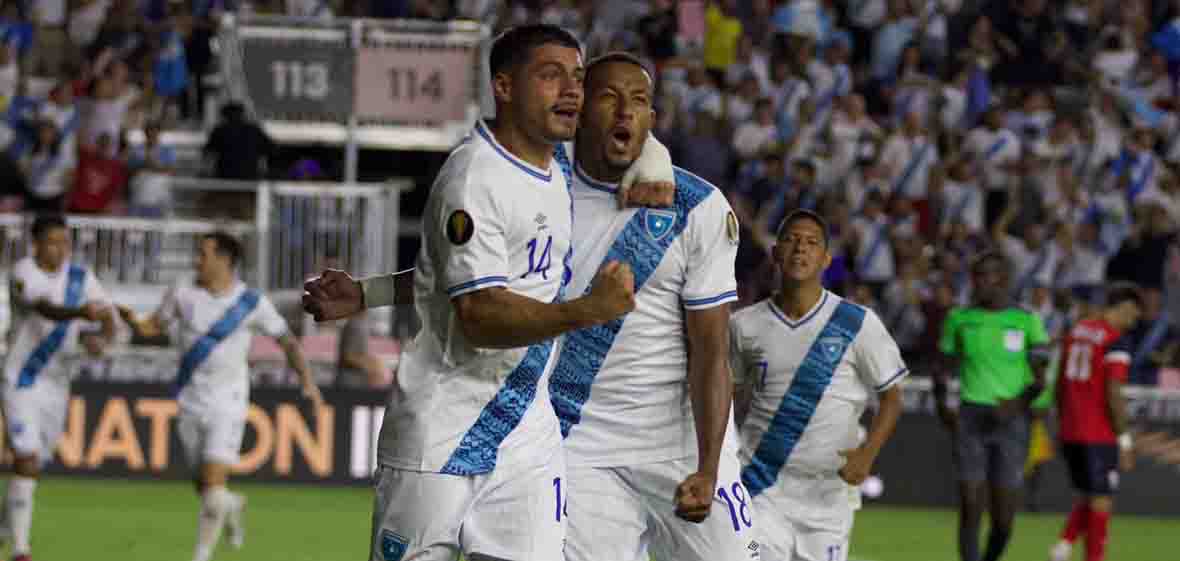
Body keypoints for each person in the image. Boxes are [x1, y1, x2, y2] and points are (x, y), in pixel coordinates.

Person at [310, 24, 641, 561]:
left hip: (526, 431)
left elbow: (442, 276)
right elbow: (479, 314)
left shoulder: (555, 165)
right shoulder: (474, 179)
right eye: (551, 76)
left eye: (578, 77)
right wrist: (586, 311)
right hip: (443, 434)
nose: (573, 91)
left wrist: (367, 293)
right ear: (505, 87)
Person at [543, 52, 750, 561]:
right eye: (610, 97)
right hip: (579, 447)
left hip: (682, 445)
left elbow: (710, 351)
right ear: (581, 108)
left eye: (638, 102)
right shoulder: (538, 191)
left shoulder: (697, 206)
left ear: (652, 121)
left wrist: (707, 466)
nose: (625, 113)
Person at [117, 232, 324, 561]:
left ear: (224, 260)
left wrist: (308, 383)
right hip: (188, 399)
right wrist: (133, 322)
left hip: (229, 401)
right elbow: (153, 327)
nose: (197, 260)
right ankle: (233, 504)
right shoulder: (182, 293)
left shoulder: (251, 302)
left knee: (212, 484)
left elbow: (287, 341)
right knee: (206, 489)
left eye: (203, 254)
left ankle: (201, 555)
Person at [731, 209, 908, 561]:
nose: (801, 249)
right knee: (748, 556)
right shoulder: (743, 325)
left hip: (828, 498)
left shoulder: (857, 323)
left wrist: (867, 454)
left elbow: (891, 397)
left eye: (812, 243)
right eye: (792, 240)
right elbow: (724, 393)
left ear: (825, 259)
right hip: (761, 487)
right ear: (776, 252)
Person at [0, 214, 116, 561]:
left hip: (57, 383)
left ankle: (6, 528)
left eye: (65, 242)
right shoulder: (23, 273)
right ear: (35, 244)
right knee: (27, 457)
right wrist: (81, 313)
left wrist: (102, 338)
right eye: (53, 242)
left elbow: (108, 314)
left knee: (37, 463)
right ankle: (21, 550)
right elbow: (46, 309)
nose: (61, 250)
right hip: (21, 378)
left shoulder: (81, 278)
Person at [935, 251, 1050, 561]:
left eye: (987, 276)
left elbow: (1040, 379)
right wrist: (943, 406)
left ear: (1004, 279)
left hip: (1012, 422)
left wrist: (1017, 403)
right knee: (971, 504)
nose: (980, 283)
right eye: (977, 276)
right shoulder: (959, 318)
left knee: (1004, 518)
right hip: (971, 417)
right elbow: (942, 368)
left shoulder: (1027, 320)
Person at [1050, 283, 1142, 561]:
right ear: (1125, 307)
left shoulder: (1077, 331)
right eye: (1134, 313)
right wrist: (1124, 440)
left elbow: (1059, 384)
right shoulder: (1115, 340)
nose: (1135, 320)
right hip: (1097, 432)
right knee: (1101, 500)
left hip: (1071, 429)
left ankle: (1063, 546)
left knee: (1091, 493)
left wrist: (1061, 422)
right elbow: (1114, 393)